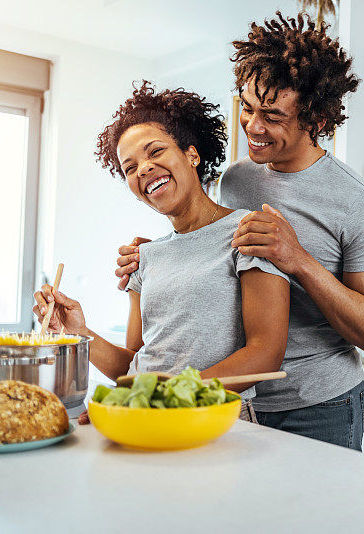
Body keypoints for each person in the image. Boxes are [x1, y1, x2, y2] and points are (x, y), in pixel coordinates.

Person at [115, 13, 364, 449]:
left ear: (317, 120)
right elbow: (214, 255)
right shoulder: (236, 181)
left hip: (317, 405)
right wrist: (158, 256)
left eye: (272, 116)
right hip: (234, 401)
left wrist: (299, 260)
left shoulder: (357, 202)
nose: (252, 126)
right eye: (247, 107)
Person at [34, 82, 290, 422]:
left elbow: (264, 354)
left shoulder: (249, 231)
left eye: (155, 152)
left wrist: (158, 401)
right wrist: (78, 334)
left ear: (192, 154)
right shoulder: (146, 257)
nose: (143, 168)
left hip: (213, 418)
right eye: (129, 167)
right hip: (145, 415)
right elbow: (138, 364)